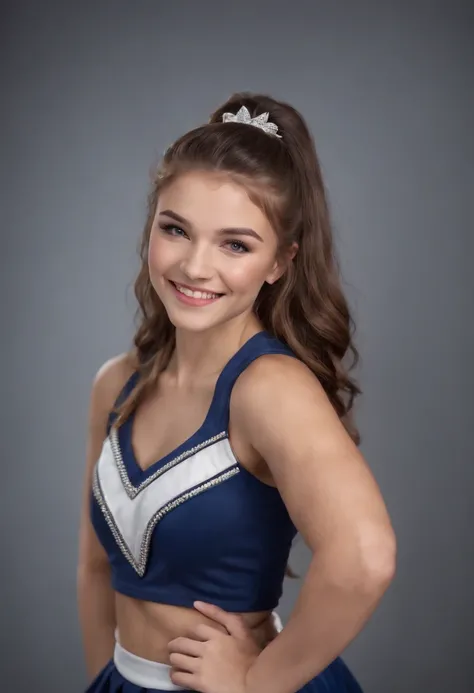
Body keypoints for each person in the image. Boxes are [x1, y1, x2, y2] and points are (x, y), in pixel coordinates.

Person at [78, 92, 396, 693]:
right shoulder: (115, 385)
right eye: (176, 229)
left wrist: (256, 685)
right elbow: (96, 567)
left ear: (280, 262)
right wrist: (105, 677)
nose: (196, 267)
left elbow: (365, 559)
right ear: (152, 226)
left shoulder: (270, 389)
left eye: (236, 244)